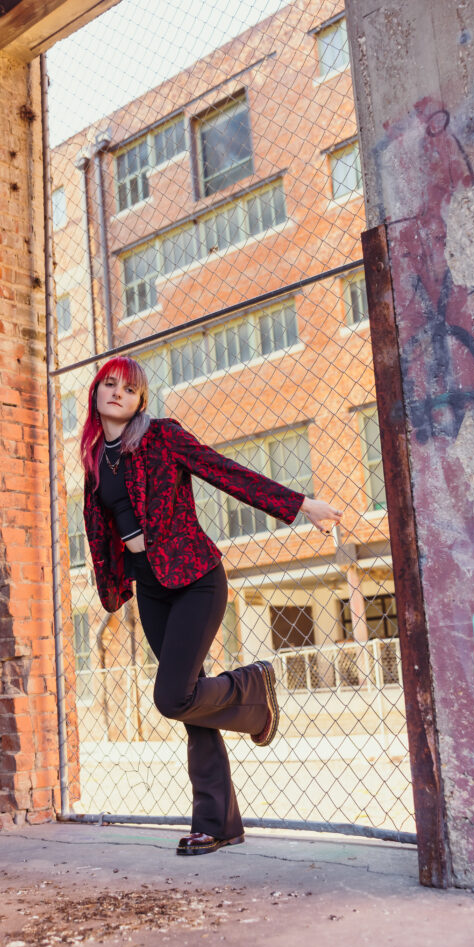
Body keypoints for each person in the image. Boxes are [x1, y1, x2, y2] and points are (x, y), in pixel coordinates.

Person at [81, 356, 342, 856]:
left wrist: (299, 505)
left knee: (172, 696)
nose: (117, 393)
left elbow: (224, 472)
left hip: (197, 578)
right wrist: (115, 586)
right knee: (192, 703)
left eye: (128, 388)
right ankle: (218, 823)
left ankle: (251, 686)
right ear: (95, 394)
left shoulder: (161, 436)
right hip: (151, 587)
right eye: (108, 384)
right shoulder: (95, 459)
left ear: (140, 401)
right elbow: (102, 533)